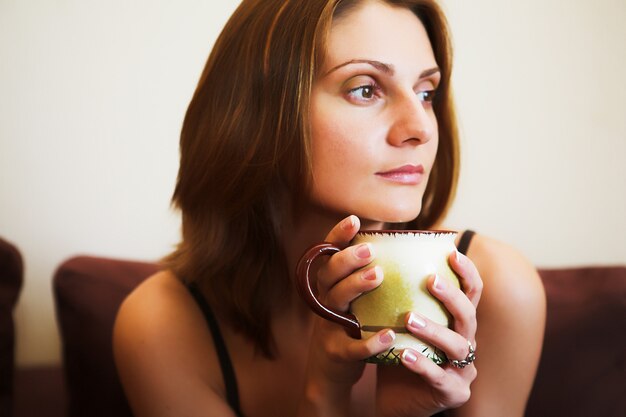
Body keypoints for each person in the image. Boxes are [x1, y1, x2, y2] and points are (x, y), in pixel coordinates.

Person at [113, 0, 546, 416]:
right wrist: (325, 394)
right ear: (259, 114)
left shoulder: (501, 289)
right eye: (365, 89)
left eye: (426, 92)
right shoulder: (162, 326)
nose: (419, 128)